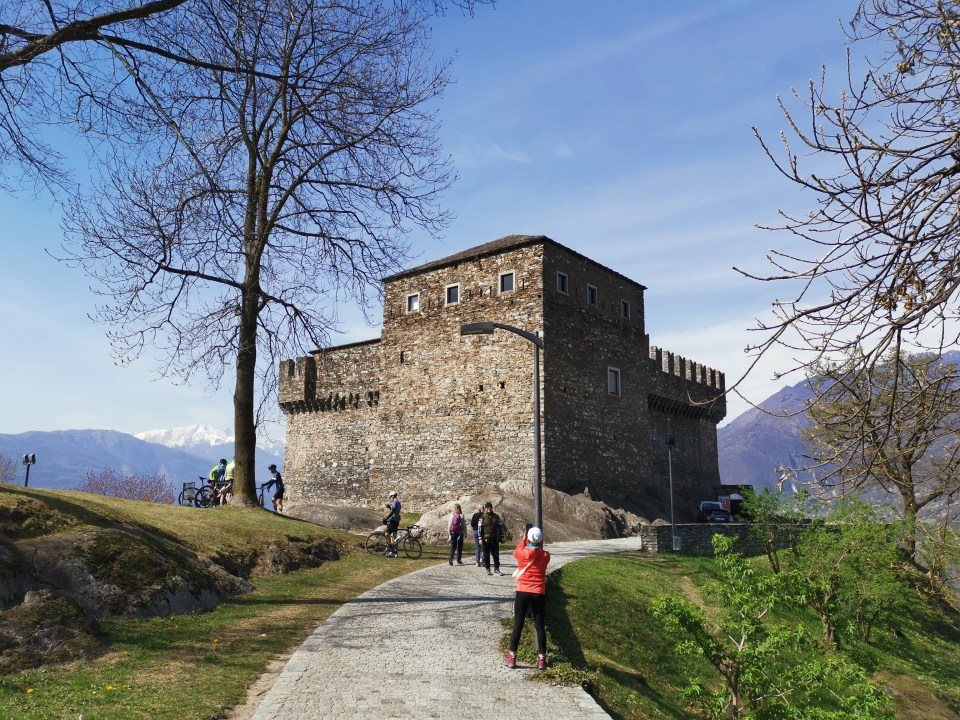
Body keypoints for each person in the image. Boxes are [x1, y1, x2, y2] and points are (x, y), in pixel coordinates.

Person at [505, 526, 551, 670]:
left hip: (523, 591)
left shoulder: (521, 554)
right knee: (539, 626)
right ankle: (542, 659)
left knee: (518, 624)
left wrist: (523, 539)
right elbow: (538, 552)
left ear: (528, 538)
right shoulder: (546, 556)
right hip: (538, 592)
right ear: (541, 539)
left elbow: (517, 550)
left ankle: (512, 657)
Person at [477, 501, 505, 576]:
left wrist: (502, 536)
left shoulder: (496, 516)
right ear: (485, 509)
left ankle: (497, 569)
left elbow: (500, 526)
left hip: (495, 538)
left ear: (492, 508)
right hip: (485, 539)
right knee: (486, 555)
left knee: (496, 555)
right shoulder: (482, 518)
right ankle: (488, 569)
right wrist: (480, 538)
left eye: (490, 507)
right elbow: (479, 528)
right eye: (487, 507)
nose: (489, 509)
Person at [382, 490, 401, 557]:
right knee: (394, 536)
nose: (390, 499)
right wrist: (389, 507)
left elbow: (392, 512)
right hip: (397, 519)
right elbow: (395, 511)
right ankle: (395, 553)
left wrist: (386, 519)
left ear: (392, 496)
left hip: (394, 520)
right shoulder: (398, 502)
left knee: (387, 534)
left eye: (390, 497)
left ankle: (392, 549)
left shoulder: (395, 502)